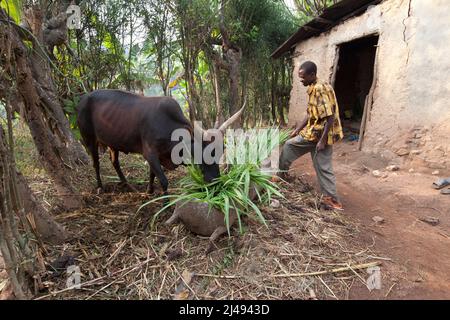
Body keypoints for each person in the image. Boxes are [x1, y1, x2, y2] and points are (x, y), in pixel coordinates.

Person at [274, 61, 344, 211]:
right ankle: (281, 175)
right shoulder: (314, 86)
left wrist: (323, 140)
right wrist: (297, 129)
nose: (301, 80)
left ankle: (332, 200)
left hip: (321, 133)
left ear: (312, 75)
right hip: (314, 131)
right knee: (290, 145)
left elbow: (330, 116)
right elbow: (309, 112)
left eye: (303, 77)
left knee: (322, 165)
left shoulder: (319, 89)